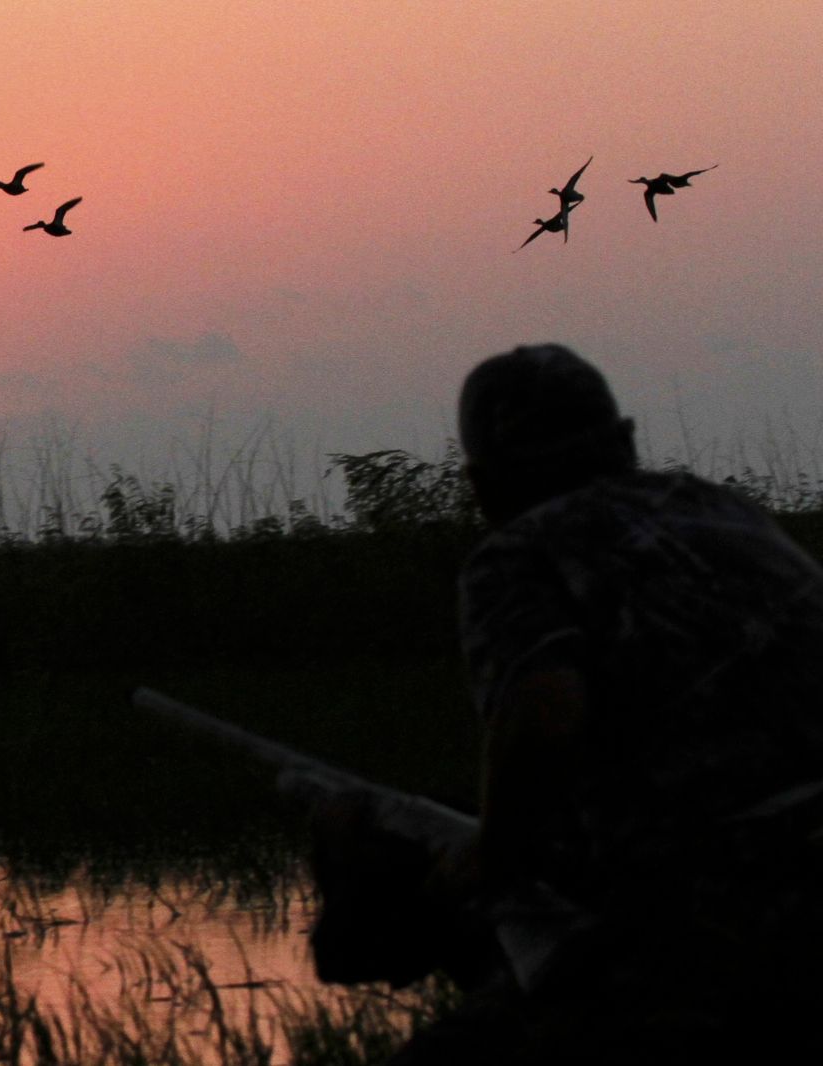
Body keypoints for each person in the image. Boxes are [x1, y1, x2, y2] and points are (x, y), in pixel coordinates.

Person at [327, 344, 823, 1063]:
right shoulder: (724, 512)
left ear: (483, 485)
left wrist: (488, 858)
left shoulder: (520, 555)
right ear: (623, 442)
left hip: (725, 918)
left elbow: (547, 712)